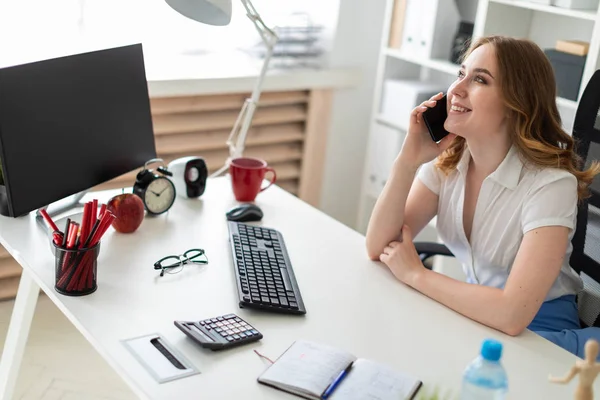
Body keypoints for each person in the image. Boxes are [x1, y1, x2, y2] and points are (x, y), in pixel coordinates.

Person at [365, 35, 600, 359]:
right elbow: (377, 246)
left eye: (479, 79)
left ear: (517, 102)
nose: (456, 89)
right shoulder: (448, 162)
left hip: (541, 336)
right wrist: (407, 161)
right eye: (461, 74)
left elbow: (512, 314)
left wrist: (416, 274)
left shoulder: (550, 185)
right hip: (481, 317)